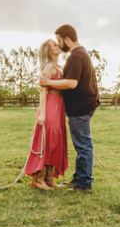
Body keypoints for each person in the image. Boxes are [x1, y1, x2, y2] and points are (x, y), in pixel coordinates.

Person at [40, 25, 100, 191]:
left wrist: (48, 82)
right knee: (82, 145)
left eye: (59, 40)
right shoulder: (81, 53)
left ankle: (83, 183)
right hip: (82, 107)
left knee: (83, 146)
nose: (59, 44)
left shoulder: (76, 56)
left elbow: (72, 83)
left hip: (80, 108)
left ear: (67, 39)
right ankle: (79, 178)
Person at [24, 39, 68, 190]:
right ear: (48, 51)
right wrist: (42, 113)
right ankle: (38, 179)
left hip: (59, 106)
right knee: (47, 140)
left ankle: (50, 178)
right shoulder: (49, 67)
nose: (58, 45)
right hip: (50, 105)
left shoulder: (58, 66)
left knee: (55, 140)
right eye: (54, 45)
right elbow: (43, 89)